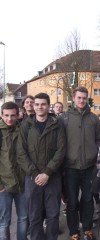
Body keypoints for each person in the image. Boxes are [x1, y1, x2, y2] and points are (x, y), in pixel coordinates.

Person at [17, 93, 66, 240]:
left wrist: (47, 172)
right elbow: (21, 153)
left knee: (53, 214)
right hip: (32, 178)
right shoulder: (26, 125)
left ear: (48, 105)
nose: (39, 107)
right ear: (33, 105)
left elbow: (61, 150)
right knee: (34, 215)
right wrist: (34, 174)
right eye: (36, 104)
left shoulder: (57, 124)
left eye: (43, 104)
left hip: (52, 177)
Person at [61, 86, 100, 240]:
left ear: (87, 99)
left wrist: (95, 152)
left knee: (87, 199)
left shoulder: (93, 119)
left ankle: (87, 229)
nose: (81, 100)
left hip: (89, 167)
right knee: (72, 201)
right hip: (70, 167)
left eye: (84, 98)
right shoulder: (64, 118)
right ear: (74, 98)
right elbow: (60, 143)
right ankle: (73, 231)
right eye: (79, 97)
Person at [0, 102, 28, 240]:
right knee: (4, 221)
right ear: (1, 115)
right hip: (4, 185)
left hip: (22, 182)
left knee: (23, 217)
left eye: (12, 115)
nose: (9, 119)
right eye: (6, 115)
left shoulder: (23, 129)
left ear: (18, 115)